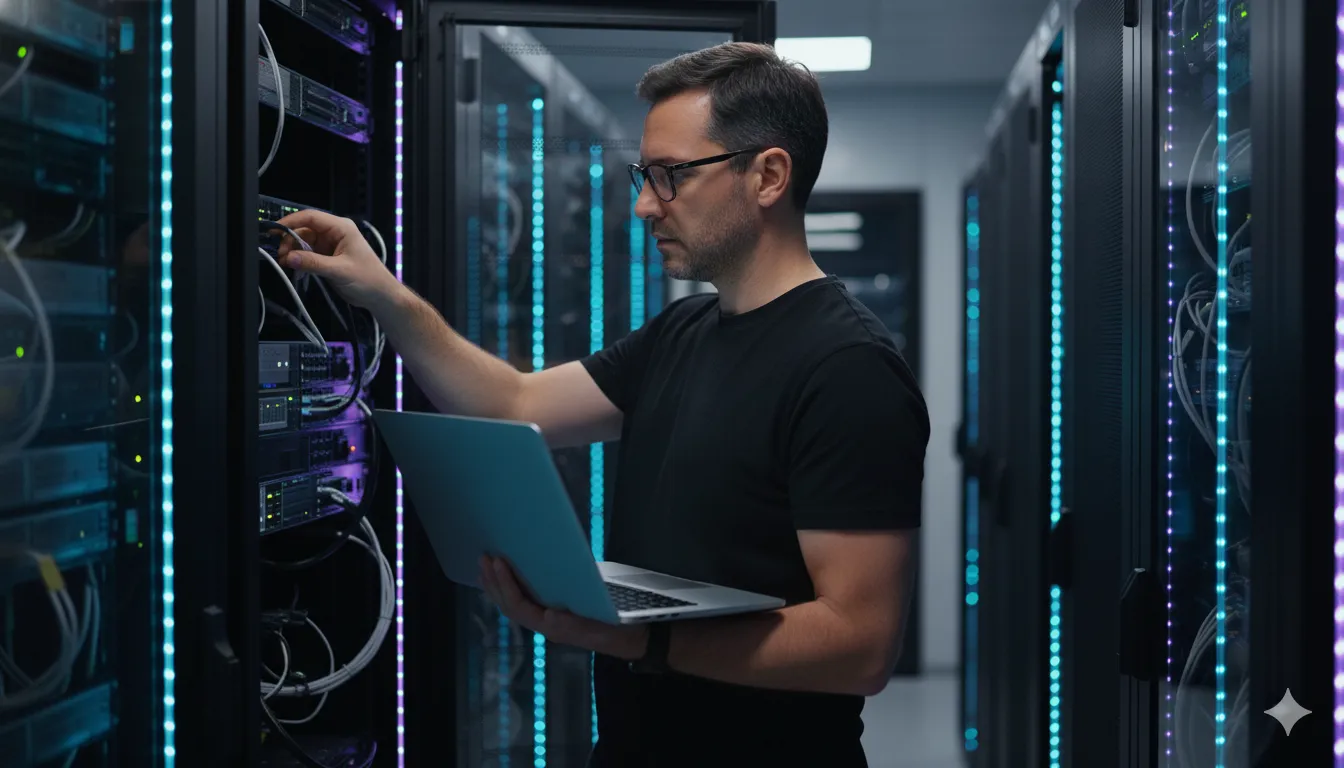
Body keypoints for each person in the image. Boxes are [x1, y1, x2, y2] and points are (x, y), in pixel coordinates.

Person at [278, 40, 929, 768]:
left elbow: (859, 644)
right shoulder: (682, 331)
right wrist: (384, 294)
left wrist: (639, 640)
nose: (646, 204)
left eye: (669, 176)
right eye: (643, 176)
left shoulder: (848, 370)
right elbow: (513, 401)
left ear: (768, 175)